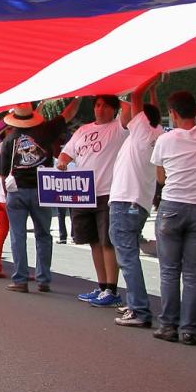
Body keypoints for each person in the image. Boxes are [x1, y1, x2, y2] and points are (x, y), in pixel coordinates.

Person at [150, 92, 196, 345]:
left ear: (171, 113)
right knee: (193, 274)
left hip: (171, 206)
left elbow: (160, 178)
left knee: (169, 271)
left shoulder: (165, 139)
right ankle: (190, 330)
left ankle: (168, 325)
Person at [0, 99, 77, 292]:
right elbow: (67, 114)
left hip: (17, 190)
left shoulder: (9, 140)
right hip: (43, 189)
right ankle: (43, 279)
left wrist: (8, 194)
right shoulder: (45, 131)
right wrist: (77, 97)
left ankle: (20, 280)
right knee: (43, 234)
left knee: (18, 236)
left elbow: (2, 173)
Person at [59, 95, 128, 306]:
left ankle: (112, 289)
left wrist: (113, 88)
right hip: (83, 193)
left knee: (108, 242)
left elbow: (129, 109)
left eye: (107, 106)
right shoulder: (83, 130)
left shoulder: (119, 128)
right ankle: (101, 286)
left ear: (114, 110)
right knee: (93, 242)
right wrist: (62, 162)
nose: (101, 109)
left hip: (107, 192)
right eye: (98, 105)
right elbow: (66, 153)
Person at [107, 76, 160, 328]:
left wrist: (149, 78)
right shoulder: (155, 133)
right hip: (138, 202)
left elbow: (136, 99)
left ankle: (139, 308)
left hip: (124, 201)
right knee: (128, 255)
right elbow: (150, 108)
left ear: (141, 119)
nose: (123, 114)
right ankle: (136, 303)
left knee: (126, 257)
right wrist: (154, 90)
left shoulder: (140, 132)